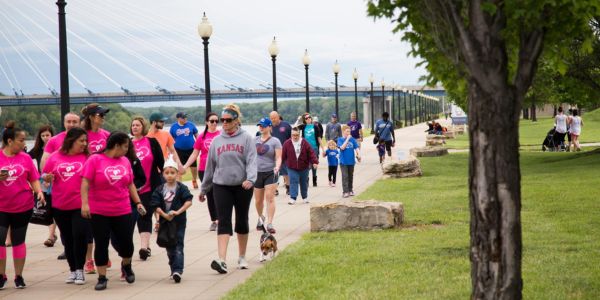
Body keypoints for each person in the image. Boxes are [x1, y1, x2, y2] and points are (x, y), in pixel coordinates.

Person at [81, 132, 145, 290]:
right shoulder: (95, 160)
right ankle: (102, 277)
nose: (127, 150)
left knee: (126, 243)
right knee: (101, 243)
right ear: (116, 146)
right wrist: (85, 204)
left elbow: (130, 184)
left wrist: (138, 202)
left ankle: (126, 265)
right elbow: (85, 182)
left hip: (122, 209)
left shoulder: (125, 161)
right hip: (99, 211)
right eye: (125, 146)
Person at [199, 104, 257, 274]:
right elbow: (210, 166)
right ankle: (222, 260)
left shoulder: (246, 138)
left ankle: (241, 256)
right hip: (221, 185)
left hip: (242, 186)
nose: (223, 123)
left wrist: (250, 179)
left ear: (236, 121)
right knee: (223, 221)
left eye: (227, 120)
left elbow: (252, 161)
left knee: (241, 220)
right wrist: (204, 189)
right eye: (222, 120)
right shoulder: (217, 141)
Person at [0, 124, 45, 289]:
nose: (24, 143)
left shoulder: (25, 158)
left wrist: (39, 191)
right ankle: (1, 275)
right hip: (1, 207)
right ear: (9, 141)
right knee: (0, 240)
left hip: (22, 205)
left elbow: (33, 178)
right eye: (21, 140)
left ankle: (18, 276)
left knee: (19, 241)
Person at [42, 127, 89, 285]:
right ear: (71, 141)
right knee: (67, 239)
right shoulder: (55, 156)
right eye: (81, 141)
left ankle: (80, 270)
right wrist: (46, 178)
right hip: (60, 205)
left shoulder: (87, 157)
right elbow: (43, 177)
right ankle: (72, 270)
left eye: (85, 141)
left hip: (80, 205)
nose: (84, 144)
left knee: (80, 236)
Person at [40, 112, 81, 261]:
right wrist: (46, 179)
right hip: (59, 189)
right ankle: (67, 248)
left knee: (81, 229)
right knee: (64, 225)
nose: (71, 124)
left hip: (80, 193)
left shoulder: (83, 140)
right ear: (64, 123)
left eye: (74, 122)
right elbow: (45, 161)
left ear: (79, 123)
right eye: (68, 121)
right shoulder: (54, 140)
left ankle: (82, 253)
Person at [150, 158, 193, 283]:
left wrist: (177, 212)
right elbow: (155, 204)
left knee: (178, 243)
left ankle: (177, 270)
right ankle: (173, 267)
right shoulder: (159, 189)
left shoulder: (181, 188)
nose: (169, 175)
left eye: (172, 172)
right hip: (165, 222)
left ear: (177, 173)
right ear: (163, 174)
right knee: (169, 245)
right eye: (167, 173)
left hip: (179, 222)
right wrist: (164, 215)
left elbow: (188, 201)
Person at [130, 117, 164, 260]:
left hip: (149, 187)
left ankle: (144, 247)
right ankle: (145, 245)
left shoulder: (151, 142)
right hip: (132, 188)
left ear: (143, 127)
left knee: (145, 215)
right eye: (133, 125)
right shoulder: (128, 144)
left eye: (138, 125)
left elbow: (160, 162)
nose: (135, 127)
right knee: (134, 217)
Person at [181, 113, 220, 231]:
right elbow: (194, 154)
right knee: (210, 195)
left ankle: (221, 219)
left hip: (219, 169)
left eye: (216, 121)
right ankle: (214, 220)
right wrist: (185, 166)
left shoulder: (222, 135)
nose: (214, 123)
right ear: (206, 122)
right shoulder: (201, 137)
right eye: (211, 121)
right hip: (204, 169)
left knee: (218, 194)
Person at [28, 125, 59, 248]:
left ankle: (51, 236)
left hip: (55, 181)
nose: (46, 138)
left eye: (48, 135)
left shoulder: (57, 148)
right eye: (43, 135)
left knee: (54, 208)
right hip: (43, 183)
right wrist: (38, 176)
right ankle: (52, 235)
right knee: (47, 208)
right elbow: (26, 159)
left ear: (52, 135)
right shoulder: (37, 150)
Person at [254, 117, 282, 234]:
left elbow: (278, 157)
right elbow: (249, 156)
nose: (261, 127)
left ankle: (270, 223)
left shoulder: (275, 141)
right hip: (256, 173)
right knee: (258, 200)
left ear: (270, 127)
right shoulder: (254, 140)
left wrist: (277, 166)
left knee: (269, 197)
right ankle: (261, 218)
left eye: (263, 125)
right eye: (260, 125)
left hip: (270, 172)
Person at [282, 127, 318, 205]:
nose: (295, 137)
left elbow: (311, 153)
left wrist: (315, 162)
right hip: (291, 167)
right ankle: (293, 198)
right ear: (291, 135)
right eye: (293, 135)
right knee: (293, 181)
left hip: (304, 167)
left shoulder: (304, 142)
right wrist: (278, 165)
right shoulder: (287, 143)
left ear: (300, 134)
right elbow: (283, 156)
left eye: (297, 135)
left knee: (303, 182)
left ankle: (304, 197)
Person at [169, 112, 199, 188]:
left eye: (186, 117)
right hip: (178, 150)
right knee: (179, 167)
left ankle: (194, 179)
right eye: (183, 117)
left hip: (191, 150)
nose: (185, 118)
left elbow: (197, 136)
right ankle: (180, 185)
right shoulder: (173, 127)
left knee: (194, 168)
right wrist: (170, 151)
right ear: (178, 118)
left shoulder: (191, 125)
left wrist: (199, 145)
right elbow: (170, 140)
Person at [297, 113, 324, 187]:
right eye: (306, 118)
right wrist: (298, 119)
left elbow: (319, 138)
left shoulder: (315, 127)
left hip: (314, 148)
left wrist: (323, 149)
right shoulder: (303, 126)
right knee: (307, 165)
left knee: (314, 164)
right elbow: (294, 128)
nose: (308, 119)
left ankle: (314, 179)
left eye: (309, 117)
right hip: (305, 149)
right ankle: (306, 179)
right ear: (304, 120)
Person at [269, 111, 292, 195]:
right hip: (273, 152)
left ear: (278, 117)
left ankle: (288, 187)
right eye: (271, 118)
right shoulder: (269, 127)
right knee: (273, 172)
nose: (273, 120)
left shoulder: (286, 125)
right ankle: (274, 189)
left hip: (285, 152)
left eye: (274, 118)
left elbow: (292, 137)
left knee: (286, 171)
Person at [337, 126, 361, 198]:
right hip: (343, 161)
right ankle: (345, 191)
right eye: (347, 131)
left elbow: (356, 147)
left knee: (350, 176)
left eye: (349, 131)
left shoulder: (353, 140)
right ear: (343, 131)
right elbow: (342, 148)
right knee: (345, 176)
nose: (349, 133)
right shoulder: (340, 139)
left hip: (351, 161)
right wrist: (347, 139)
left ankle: (350, 190)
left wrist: (358, 155)